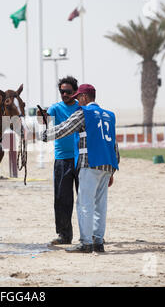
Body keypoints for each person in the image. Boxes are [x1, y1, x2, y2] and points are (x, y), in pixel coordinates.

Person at [40, 84, 120, 253]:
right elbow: (114, 145)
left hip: (89, 163)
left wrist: (46, 135)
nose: (77, 101)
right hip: (106, 164)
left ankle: (85, 242)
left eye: (78, 98)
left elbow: (65, 128)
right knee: (101, 205)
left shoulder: (84, 113)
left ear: (84, 97)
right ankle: (98, 241)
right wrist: (112, 170)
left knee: (85, 204)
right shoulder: (109, 115)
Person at [37, 76, 80, 246]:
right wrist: (41, 116)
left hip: (80, 158)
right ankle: (64, 235)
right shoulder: (55, 108)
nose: (64, 94)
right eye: (62, 91)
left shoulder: (81, 108)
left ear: (75, 92)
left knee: (84, 198)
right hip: (61, 159)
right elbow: (44, 122)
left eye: (68, 91)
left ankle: (92, 234)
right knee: (62, 198)